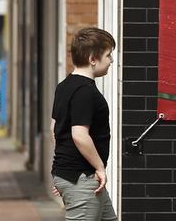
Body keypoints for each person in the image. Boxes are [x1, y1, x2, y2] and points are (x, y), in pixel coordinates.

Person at [50, 27, 118, 221]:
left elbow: (54, 129)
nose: (111, 60)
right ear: (92, 59)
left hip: (76, 176)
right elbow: (79, 135)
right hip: (83, 177)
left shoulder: (64, 86)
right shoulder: (85, 92)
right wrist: (100, 169)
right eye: (108, 55)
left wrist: (64, 173)